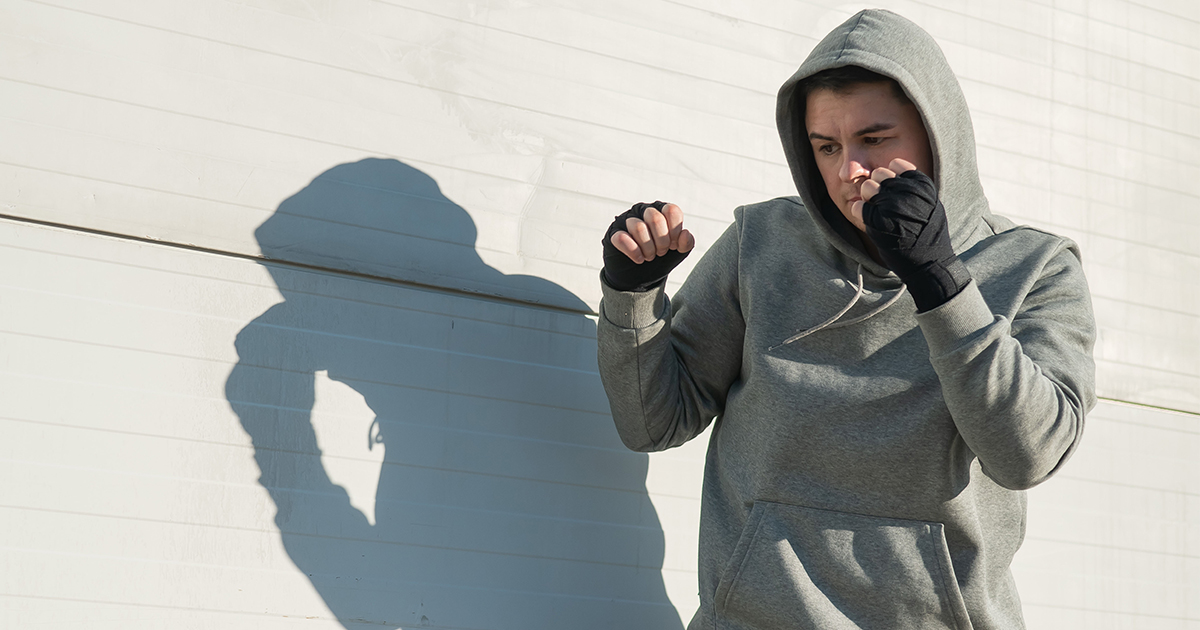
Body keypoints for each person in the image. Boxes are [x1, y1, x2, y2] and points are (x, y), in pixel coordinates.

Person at [596, 9, 1095, 630]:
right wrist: (632, 294)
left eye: (875, 139)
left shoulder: (1033, 267)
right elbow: (653, 422)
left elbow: (1029, 454)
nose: (848, 171)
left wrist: (938, 278)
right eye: (826, 146)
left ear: (939, 134)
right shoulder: (763, 243)